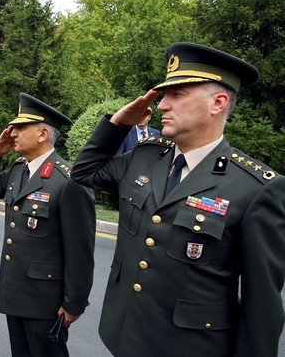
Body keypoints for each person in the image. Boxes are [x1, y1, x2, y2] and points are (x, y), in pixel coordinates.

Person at [71, 42, 285, 357]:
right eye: (164, 95)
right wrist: (117, 125)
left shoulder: (255, 187)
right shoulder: (144, 157)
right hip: (124, 336)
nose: (161, 106)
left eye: (177, 95)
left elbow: (261, 308)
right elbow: (85, 172)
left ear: (218, 102)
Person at [0, 92, 96, 357]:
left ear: (43, 134)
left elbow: (80, 251)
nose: (13, 132)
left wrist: (74, 302)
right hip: (14, 292)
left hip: (45, 300)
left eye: (20, 127)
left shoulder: (68, 181)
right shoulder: (19, 170)